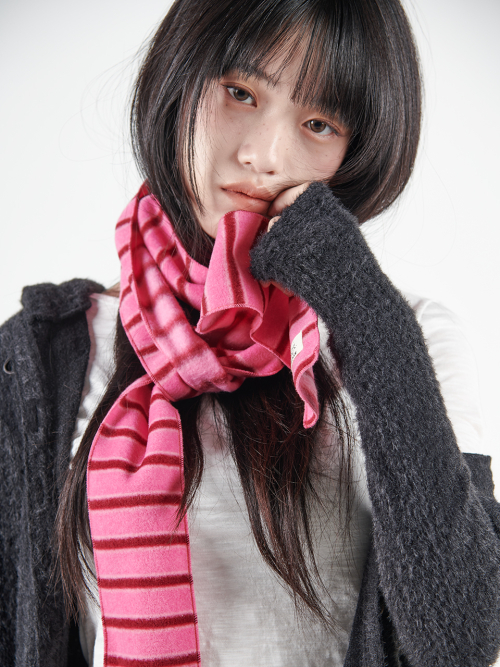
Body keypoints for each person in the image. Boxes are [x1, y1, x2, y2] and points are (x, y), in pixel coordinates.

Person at [1, 0, 499, 665]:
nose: (265, 155)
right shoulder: (45, 358)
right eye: (241, 93)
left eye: (318, 124)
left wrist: (365, 312)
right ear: (179, 81)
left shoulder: (404, 336)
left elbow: (462, 640)